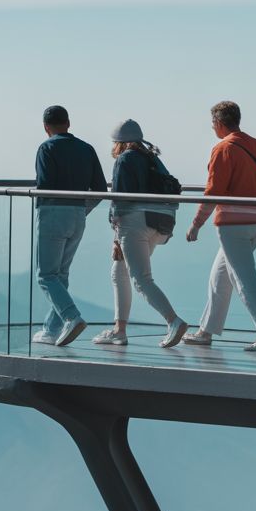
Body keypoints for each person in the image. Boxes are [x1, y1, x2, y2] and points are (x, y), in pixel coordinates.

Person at [181, 101, 256, 351]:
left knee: (244, 279)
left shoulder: (223, 148)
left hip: (233, 225)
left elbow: (213, 191)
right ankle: (206, 331)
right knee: (220, 277)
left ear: (218, 123)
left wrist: (196, 224)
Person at [92, 119, 190, 348]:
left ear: (119, 143)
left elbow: (120, 199)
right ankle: (119, 330)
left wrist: (117, 235)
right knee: (120, 273)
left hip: (134, 224)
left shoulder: (125, 159)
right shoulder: (152, 158)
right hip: (159, 223)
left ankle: (173, 321)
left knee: (141, 278)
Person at [32, 105, 107, 347]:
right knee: (61, 274)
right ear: (68, 123)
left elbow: (45, 186)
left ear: (46, 127)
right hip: (78, 215)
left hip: (53, 213)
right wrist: (82, 209)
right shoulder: (87, 149)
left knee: (46, 275)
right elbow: (100, 190)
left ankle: (71, 317)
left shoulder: (47, 148)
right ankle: (51, 331)